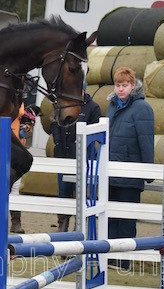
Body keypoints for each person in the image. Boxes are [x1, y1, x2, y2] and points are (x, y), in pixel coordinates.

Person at [105, 67, 154, 270]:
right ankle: (107, 257)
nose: (121, 89)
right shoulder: (111, 106)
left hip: (130, 174)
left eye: (125, 85)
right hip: (109, 172)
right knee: (109, 217)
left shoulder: (142, 108)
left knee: (125, 219)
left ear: (133, 85)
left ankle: (123, 260)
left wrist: (147, 171)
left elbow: (146, 141)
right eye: (118, 85)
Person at [0, 104, 41, 234]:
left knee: (13, 186)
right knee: (2, 184)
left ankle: (13, 223)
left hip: (17, 146)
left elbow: (23, 121)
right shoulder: (6, 102)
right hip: (5, 145)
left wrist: (27, 126)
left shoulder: (19, 103)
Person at [50, 88, 102, 232]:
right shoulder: (62, 104)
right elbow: (54, 122)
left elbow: (96, 132)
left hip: (83, 157)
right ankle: (62, 224)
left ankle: (79, 226)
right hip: (63, 155)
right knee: (63, 190)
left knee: (81, 192)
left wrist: (81, 144)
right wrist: (58, 141)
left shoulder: (93, 107)